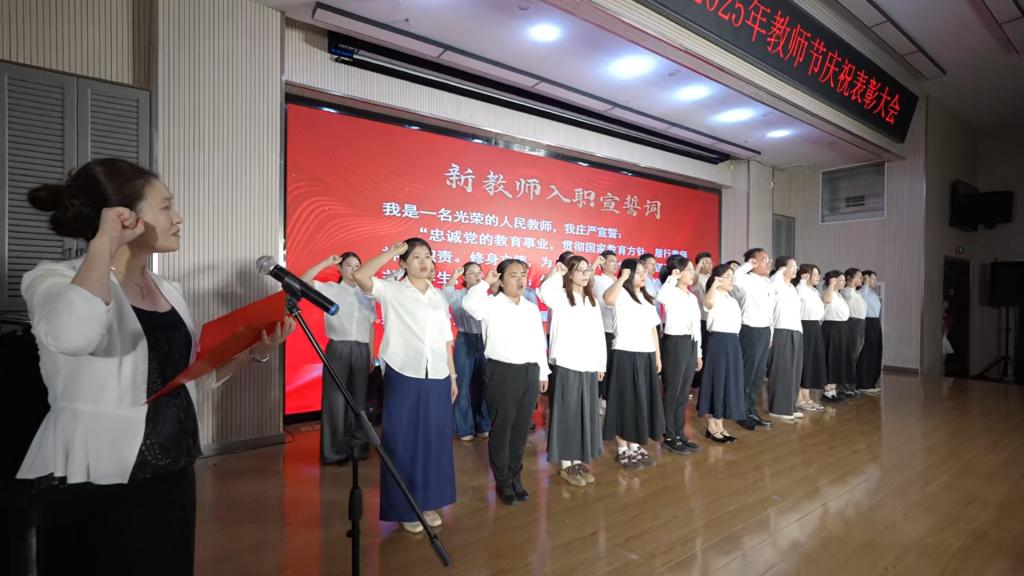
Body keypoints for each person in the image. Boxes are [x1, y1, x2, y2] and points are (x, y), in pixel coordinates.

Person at [19, 158, 293, 575]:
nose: (178, 218)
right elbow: (74, 335)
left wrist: (251, 352)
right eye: (166, 207)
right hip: (94, 475)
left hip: (172, 468)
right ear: (123, 217)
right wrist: (103, 243)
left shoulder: (169, 290)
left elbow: (186, 378)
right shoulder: (53, 279)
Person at [353, 238, 457, 534]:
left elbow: (445, 340)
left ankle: (429, 502)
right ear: (403, 263)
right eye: (416, 257)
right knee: (402, 442)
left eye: (428, 256)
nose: (424, 262)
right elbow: (361, 276)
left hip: (437, 374)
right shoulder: (392, 290)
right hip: (404, 372)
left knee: (435, 441)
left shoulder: (438, 296)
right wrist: (391, 251)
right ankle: (406, 507)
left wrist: (452, 376)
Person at [463, 259, 549, 505]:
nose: (520, 280)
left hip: (530, 371)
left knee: (521, 429)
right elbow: (470, 306)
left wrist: (543, 372)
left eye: (523, 274)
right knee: (503, 427)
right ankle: (502, 481)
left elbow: (538, 341)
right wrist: (484, 283)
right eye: (513, 275)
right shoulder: (490, 304)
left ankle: (516, 477)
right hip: (502, 372)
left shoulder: (530, 308)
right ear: (500, 280)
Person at [301, 252, 376, 465]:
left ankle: (358, 447)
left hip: (362, 349)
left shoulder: (367, 294)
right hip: (338, 348)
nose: (353, 269)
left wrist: (371, 353)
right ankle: (335, 451)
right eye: (349, 265)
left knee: (359, 401)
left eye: (357, 266)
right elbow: (302, 282)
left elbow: (370, 326)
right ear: (340, 268)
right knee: (335, 401)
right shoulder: (330, 289)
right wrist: (326, 262)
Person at [538, 256, 606, 486]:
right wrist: (557, 272)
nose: (585, 275)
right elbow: (543, 292)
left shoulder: (591, 301)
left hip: (588, 364)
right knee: (567, 414)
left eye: (587, 270)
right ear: (569, 274)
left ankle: (577, 460)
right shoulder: (560, 296)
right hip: (567, 363)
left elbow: (598, 334)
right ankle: (566, 464)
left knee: (585, 414)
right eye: (579, 271)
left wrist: (600, 364)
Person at [602, 258, 663, 469]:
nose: (644, 275)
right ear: (627, 273)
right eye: (639, 272)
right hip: (625, 354)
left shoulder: (647, 299)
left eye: (645, 271)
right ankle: (622, 449)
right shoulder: (620, 294)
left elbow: (653, 330)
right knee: (624, 402)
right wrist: (622, 279)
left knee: (641, 402)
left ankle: (635, 444)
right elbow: (607, 299)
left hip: (646, 355)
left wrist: (657, 357)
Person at [655, 257, 703, 454]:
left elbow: (697, 327)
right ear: (678, 272)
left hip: (690, 344)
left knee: (683, 393)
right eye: (688, 270)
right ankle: (669, 435)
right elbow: (661, 297)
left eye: (692, 270)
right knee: (673, 391)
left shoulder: (691, 297)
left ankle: (680, 433)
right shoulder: (670, 292)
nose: (692, 273)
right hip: (674, 343)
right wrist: (671, 278)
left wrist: (698, 353)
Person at [697, 264, 745, 443]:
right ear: (718, 278)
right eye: (728, 276)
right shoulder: (714, 294)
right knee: (716, 381)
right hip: (718, 341)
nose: (731, 280)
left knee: (727, 382)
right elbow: (707, 304)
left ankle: (720, 424)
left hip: (733, 342)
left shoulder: (731, 299)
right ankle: (711, 425)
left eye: (732, 276)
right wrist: (714, 285)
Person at [443, 262, 490, 442]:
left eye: (479, 273)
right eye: (472, 273)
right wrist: (454, 276)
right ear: (464, 277)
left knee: (483, 385)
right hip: (464, 339)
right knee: (462, 386)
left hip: (485, 341)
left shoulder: (486, 295)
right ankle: (464, 428)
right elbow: (445, 293)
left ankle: (482, 425)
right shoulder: (457, 295)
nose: (477, 276)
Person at [731, 248, 777, 430]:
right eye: (764, 260)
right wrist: (748, 265)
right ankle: (741, 412)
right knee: (747, 374)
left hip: (764, 331)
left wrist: (770, 334)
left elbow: (770, 311)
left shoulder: (767, 282)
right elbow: (734, 278)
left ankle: (751, 410)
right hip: (750, 330)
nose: (768, 262)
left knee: (758, 376)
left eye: (768, 259)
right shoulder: (745, 279)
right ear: (753, 262)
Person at [767, 257, 803, 421]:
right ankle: (778, 408)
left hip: (796, 330)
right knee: (782, 370)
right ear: (782, 269)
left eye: (796, 266)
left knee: (794, 371)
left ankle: (789, 406)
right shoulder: (776, 284)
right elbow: (773, 284)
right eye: (792, 266)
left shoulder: (791, 287)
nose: (795, 269)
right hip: (781, 330)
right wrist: (780, 271)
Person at [795, 264, 826, 412]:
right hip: (804, 326)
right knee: (804, 362)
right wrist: (802, 280)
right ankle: (798, 399)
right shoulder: (799, 289)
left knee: (811, 362)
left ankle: (807, 397)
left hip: (815, 327)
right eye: (815, 274)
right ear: (806, 275)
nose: (818, 277)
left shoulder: (814, 291)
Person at [591, 250, 618, 405]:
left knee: (614, 367)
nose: (615, 264)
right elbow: (587, 280)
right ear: (603, 263)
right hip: (604, 329)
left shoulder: (618, 280)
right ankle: (599, 398)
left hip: (617, 330)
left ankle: (608, 398)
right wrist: (595, 263)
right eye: (612, 261)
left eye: (616, 261)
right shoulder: (598, 279)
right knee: (603, 366)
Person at [820, 270, 850, 404]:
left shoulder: (839, 295)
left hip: (841, 329)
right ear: (833, 280)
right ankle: (827, 391)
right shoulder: (827, 292)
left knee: (838, 359)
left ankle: (833, 390)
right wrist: (831, 285)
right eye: (841, 280)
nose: (844, 282)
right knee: (830, 358)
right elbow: (827, 300)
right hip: (831, 329)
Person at [857, 270, 883, 394]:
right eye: (872, 279)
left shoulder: (873, 293)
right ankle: (863, 383)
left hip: (876, 323)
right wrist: (865, 282)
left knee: (876, 352)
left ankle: (871, 382)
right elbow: (864, 291)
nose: (875, 281)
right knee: (867, 353)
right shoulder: (862, 292)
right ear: (866, 279)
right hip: (867, 323)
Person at [841, 268, 867, 397]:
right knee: (850, 356)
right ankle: (845, 386)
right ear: (850, 278)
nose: (861, 279)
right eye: (858, 276)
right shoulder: (847, 291)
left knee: (855, 357)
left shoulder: (857, 293)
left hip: (860, 323)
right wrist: (850, 284)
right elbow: (848, 298)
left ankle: (851, 385)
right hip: (852, 324)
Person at [691, 252, 714, 390]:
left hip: (712, 320)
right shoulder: (697, 277)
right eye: (706, 262)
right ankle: (697, 380)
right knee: (701, 351)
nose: (710, 265)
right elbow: (692, 283)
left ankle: (706, 379)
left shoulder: (712, 277)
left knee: (709, 351)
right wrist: (698, 267)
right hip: (702, 319)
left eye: (711, 262)